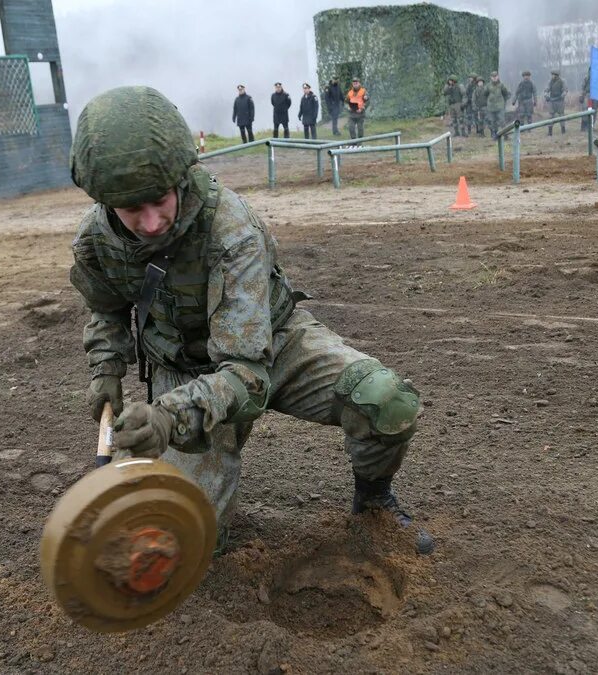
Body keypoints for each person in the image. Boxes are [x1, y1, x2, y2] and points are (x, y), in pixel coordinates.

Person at [68, 86, 434, 555]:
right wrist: (106, 368)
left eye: (159, 199)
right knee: (179, 540)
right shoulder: (95, 239)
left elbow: (246, 374)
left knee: (384, 401)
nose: (153, 222)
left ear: (182, 176)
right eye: (131, 209)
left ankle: (375, 502)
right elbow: (105, 306)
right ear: (104, 202)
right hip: (183, 367)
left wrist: (168, 417)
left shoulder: (231, 228)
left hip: (272, 345)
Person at [484, 71, 511, 137]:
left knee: (502, 121)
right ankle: (494, 135)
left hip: (500, 107)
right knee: (493, 122)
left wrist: (503, 102)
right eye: (493, 77)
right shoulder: (488, 86)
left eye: (495, 76)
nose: (494, 78)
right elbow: (485, 94)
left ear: (498, 77)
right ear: (491, 78)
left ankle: (505, 134)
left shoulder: (501, 85)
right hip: (491, 107)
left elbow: (506, 94)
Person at [543, 70, 567, 135]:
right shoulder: (550, 81)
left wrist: (562, 95)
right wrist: (546, 95)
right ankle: (550, 131)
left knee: (561, 115)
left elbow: (565, 90)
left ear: (557, 75)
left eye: (554, 74)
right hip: (552, 100)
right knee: (550, 116)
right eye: (552, 74)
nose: (553, 76)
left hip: (560, 100)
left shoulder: (562, 81)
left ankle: (563, 130)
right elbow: (546, 89)